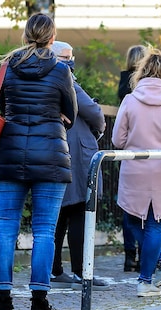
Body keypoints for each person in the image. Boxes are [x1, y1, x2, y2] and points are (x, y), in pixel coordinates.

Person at [0, 13, 77, 310]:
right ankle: (39, 302)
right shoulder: (60, 70)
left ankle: (3, 301)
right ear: (52, 38)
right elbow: (72, 113)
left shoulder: (7, 68)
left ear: (25, 35)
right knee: (44, 231)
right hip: (50, 157)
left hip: (11, 153)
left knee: (5, 226)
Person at [112, 48, 161, 297]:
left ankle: (158, 268)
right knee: (156, 224)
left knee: (133, 220)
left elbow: (117, 139)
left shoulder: (130, 100)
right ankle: (147, 279)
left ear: (141, 72)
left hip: (134, 169)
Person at [48, 40, 108, 291]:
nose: (70, 61)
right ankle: (82, 271)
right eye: (65, 57)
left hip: (50, 151)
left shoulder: (41, 81)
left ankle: (54, 270)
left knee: (57, 215)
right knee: (78, 213)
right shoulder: (68, 81)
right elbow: (93, 112)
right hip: (76, 154)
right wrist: (98, 128)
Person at [117, 44, 147, 272]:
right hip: (153, 155)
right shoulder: (154, 85)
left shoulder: (124, 85)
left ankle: (129, 256)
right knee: (152, 211)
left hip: (129, 151)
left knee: (129, 207)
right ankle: (149, 255)